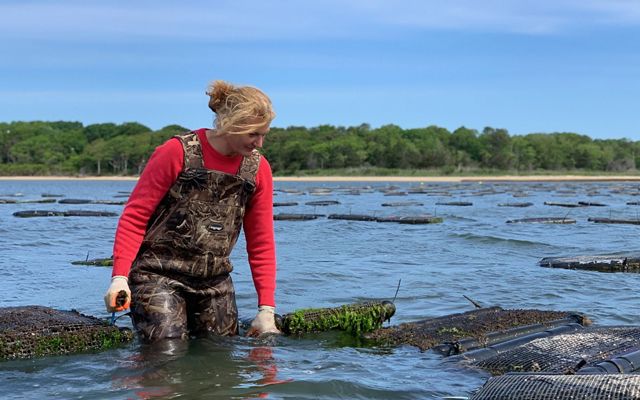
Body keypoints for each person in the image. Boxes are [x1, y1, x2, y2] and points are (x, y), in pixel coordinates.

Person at [104, 80, 280, 341]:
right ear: (231, 123)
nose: (260, 143)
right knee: (168, 351)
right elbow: (134, 217)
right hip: (157, 275)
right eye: (254, 134)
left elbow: (261, 242)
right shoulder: (176, 152)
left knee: (221, 359)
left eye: (264, 134)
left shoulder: (258, 169)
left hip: (215, 282)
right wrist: (119, 277)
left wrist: (266, 308)